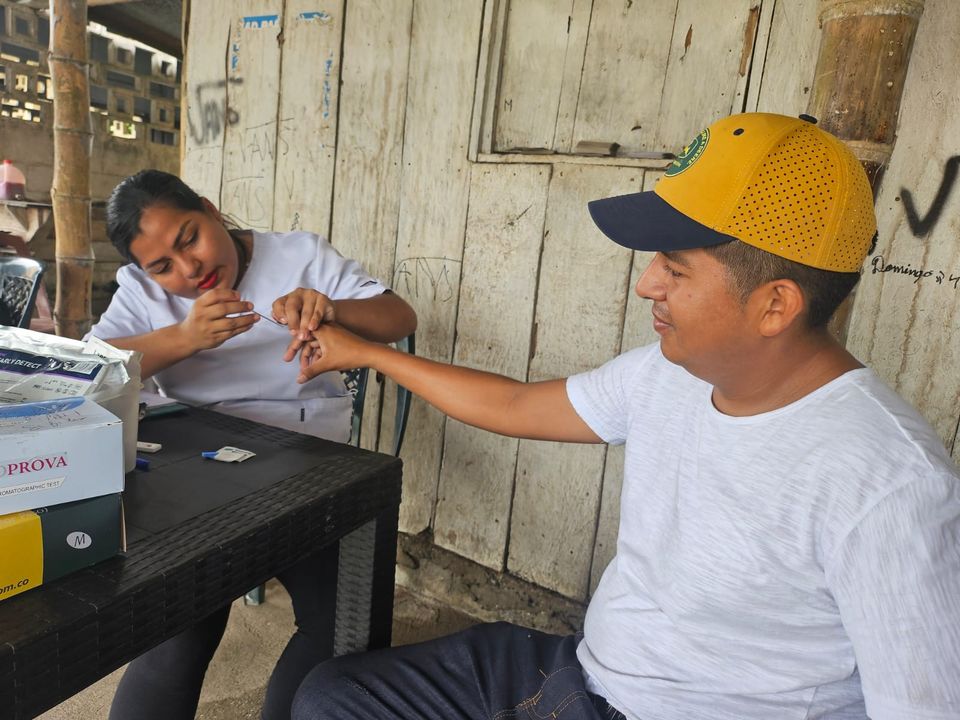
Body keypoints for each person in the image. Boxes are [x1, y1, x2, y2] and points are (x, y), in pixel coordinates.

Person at [288, 113, 960, 720]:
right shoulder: (666, 374)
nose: (646, 284)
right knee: (331, 698)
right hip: (591, 677)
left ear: (775, 305)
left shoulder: (891, 484)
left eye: (675, 268)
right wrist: (365, 352)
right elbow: (515, 404)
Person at [87, 169, 417, 720]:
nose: (189, 269)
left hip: (308, 459)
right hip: (196, 468)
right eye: (162, 266)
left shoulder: (298, 257)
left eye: (190, 237)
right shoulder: (142, 292)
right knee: (179, 626)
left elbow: (398, 316)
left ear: (211, 210)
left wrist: (332, 309)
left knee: (345, 624)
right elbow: (89, 371)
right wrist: (183, 338)